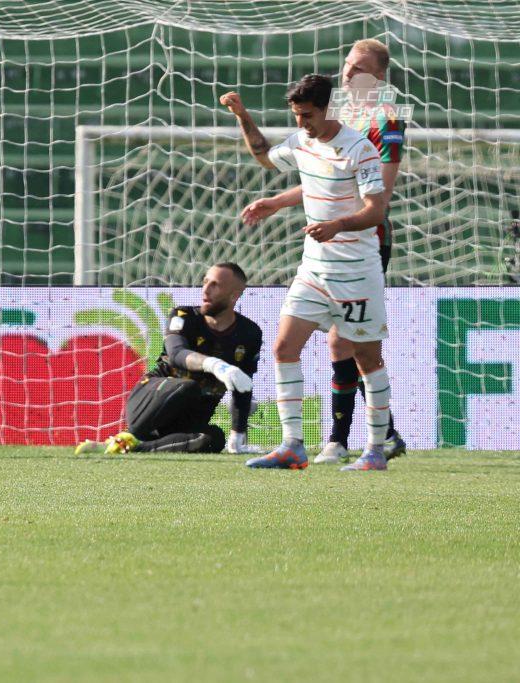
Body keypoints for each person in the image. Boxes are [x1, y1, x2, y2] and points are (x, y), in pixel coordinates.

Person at [240, 39, 407, 464]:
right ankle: (305, 444)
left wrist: (339, 221)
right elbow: (320, 175)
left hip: (360, 248)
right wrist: (277, 201)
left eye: (361, 70)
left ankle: (373, 442)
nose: (351, 74)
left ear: (379, 78)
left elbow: (375, 200)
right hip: (317, 257)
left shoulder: (384, 124)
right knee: (294, 346)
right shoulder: (314, 127)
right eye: (348, 66)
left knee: (354, 348)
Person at [75, 263, 263, 456]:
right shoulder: (184, 316)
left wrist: (237, 437)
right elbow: (177, 354)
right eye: (205, 282)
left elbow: (243, 386)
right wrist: (215, 365)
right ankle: (127, 436)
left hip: (189, 416)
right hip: (155, 398)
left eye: (215, 285)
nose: (205, 290)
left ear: (234, 295)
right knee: (187, 386)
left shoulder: (250, 333)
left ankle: (132, 448)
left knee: (213, 438)